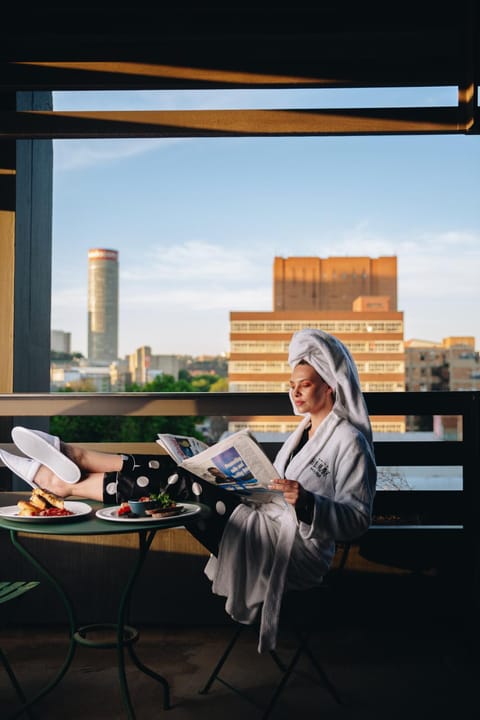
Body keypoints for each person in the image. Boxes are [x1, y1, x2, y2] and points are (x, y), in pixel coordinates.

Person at [0, 328, 376, 652]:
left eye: (304, 385)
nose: (294, 393)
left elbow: (358, 520)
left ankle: (59, 472)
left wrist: (310, 503)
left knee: (177, 481)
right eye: (291, 385)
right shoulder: (303, 433)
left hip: (292, 554)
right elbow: (276, 493)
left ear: (331, 386)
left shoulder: (349, 442)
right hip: (265, 524)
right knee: (177, 471)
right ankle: (64, 464)